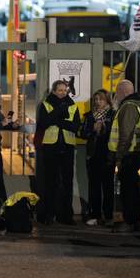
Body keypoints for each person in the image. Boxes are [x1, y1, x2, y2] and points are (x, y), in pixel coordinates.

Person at [36, 80, 81, 225]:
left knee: (67, 183)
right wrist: (58, 111)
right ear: (54, 91)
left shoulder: (73, 105)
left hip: (67, 147)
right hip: (50, 147)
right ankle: (48, 214)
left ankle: (66, 215)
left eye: (65, 90)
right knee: (50, 182)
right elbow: (43, 123)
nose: (63, 92)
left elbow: (75, 127)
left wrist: (57, 121)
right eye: (60, 90)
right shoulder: (46, 104)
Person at [108, 79, 140, 232]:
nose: (115, 95)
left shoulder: (129, 107)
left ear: (122, 92)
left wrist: (119, 157)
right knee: (131, 187)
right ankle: (133, 221)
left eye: (117, 92)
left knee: (128, 189)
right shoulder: (137, 104)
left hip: (129, 154)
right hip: (134, 153)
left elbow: (125, 134)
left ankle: (130, 221)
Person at [80, 90, 115, 227]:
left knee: (108, 187)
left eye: (101, 99)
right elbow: (83, 133)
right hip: (93, 155)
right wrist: (92, 130)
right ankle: (95, 215)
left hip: (107, 155)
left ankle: (108, 216)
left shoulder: (113, 115)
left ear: (107, 101)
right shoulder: (89, 116)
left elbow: (115, 134)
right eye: (96, 99)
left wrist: (104, 128)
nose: (98, 102)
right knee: (93, 187)